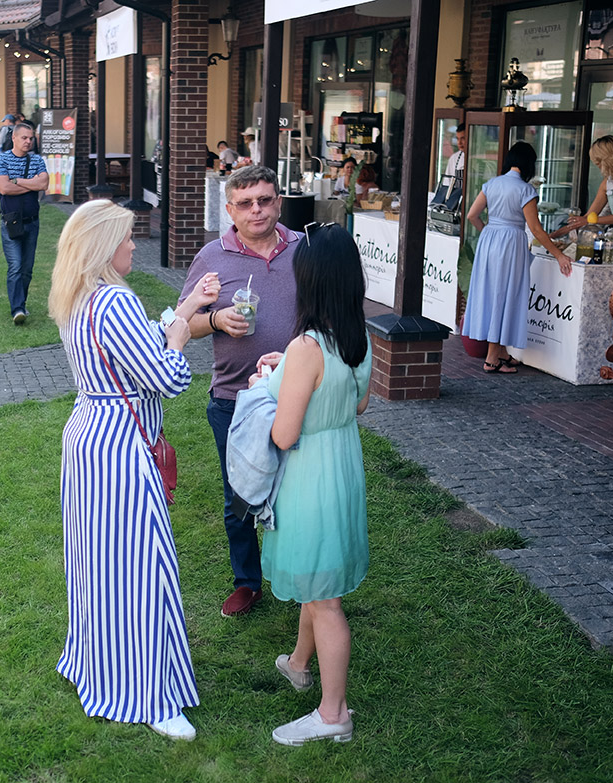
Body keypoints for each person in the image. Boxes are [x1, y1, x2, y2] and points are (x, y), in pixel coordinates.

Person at [49, 199, 221, 742]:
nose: (133, 245)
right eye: (125, 237)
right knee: (140, 570)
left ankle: (96, 664)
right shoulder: (115, 300)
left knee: (98, 567)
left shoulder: (79, 296)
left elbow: (137, 344)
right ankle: (147, 695)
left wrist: (186, 306)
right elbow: (167, 377)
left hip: (89, 437)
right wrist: (179, 339)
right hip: (122, 448)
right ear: (104, 246)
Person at [258, 222, 373, 747]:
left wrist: (267, 383)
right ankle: (299, 663)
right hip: (343, 465)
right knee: (319, 574)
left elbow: (284, 434)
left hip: (310, 476)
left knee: (325, 600)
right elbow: (358, 403)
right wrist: (287, 371)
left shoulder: (306, 346)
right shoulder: (358, 335)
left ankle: (333, 714)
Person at [178, 164, 301, 617]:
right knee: (241, 497)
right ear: (230, 210)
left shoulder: (303, 250)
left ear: (278, 202)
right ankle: (247, 582)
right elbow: (182, 322)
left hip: (296, 391)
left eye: (265, 200)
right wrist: (215, 319)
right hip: (234, 399)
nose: (257, 210)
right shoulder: (213, 256)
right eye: (246, 203)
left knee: (298, 491)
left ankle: (299, 576)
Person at [463, 141, 572, 374]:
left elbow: (472, 215)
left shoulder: (491, 184)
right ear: (529, 164)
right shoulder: (526, 190)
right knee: (505, 296)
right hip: (511, 244)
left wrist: (489, 232)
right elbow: (536, 229)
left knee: (492, 294)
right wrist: (559, 255)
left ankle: (501, 352)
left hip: (489, 241)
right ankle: (492, 358)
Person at [0, 123, 49, 324]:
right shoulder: (2, 159)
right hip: (11, 222)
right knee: (15, 266)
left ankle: (21, 303)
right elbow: (4, 188)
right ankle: (17, 309)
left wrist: (17, 180)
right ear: (14, 138)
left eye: (31, 138)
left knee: (27, 269)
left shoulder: (37, 160)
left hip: (32, 222)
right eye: (24, 138)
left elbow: (44, 184)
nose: (28, 141)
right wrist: (31, 184)